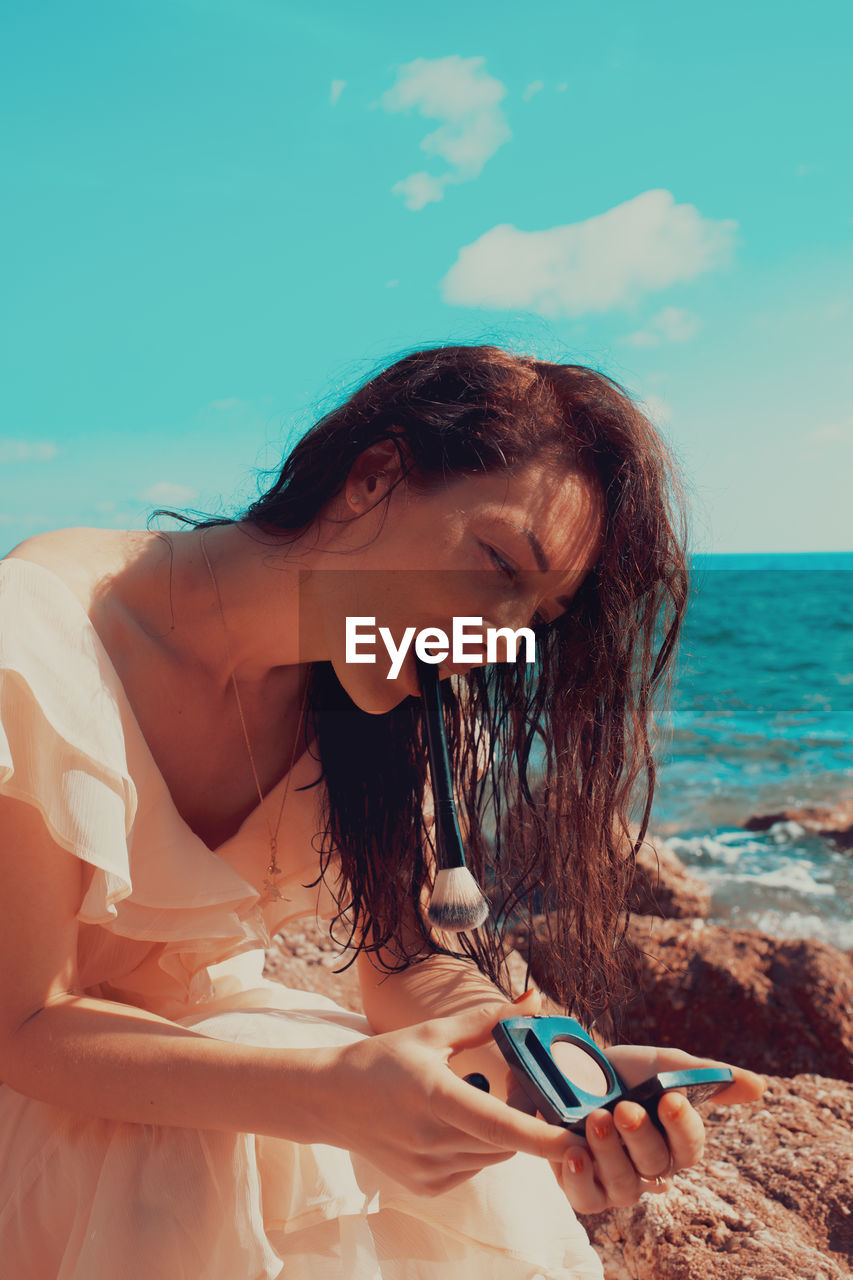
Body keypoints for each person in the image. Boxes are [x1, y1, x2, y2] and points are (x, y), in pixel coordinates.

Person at [0, 345, 764, 1279]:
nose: (494, 641)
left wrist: (558, 1076)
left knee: (438, 1155)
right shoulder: (35, 638)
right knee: (204, 1154)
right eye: (495, 564)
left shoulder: (384, 696)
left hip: (195, 1059)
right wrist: (323, 1092)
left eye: (533, 613)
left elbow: (411, 960)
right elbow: (22, 1026)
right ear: (373, 476)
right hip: (33, 1077)